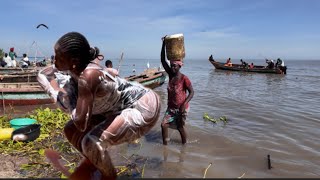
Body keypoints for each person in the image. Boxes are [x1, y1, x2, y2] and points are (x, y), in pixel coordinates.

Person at [37, 32, 161, 179]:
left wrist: (55, 92)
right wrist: (54, 78)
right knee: (70, 130)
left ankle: (109, 176)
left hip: (142, 107)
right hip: (114, 108)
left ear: (74, 60)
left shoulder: (89, 75)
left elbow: (81, 123)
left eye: (59, 57)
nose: (55, 61)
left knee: (92, 142)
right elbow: (43, 73)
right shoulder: (74, 67)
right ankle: (96, 162)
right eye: (55, 55)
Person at [160, 36, 194, 145]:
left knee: (180, 127)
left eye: (175, 66)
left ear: (179, 67)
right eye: (171, 66)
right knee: (163, 125)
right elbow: (162, 60)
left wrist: (184, 103)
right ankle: (165, 146)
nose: (172, 68)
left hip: (181, 108)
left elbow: (192, 92)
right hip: (171, 108)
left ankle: (184, 146)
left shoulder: (184, 78)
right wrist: (164, 44)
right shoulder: (170, 75)